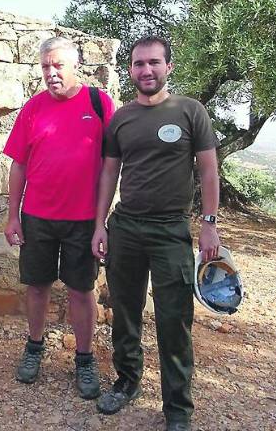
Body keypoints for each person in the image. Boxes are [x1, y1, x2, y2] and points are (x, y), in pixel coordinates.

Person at [91, 36, 221, 431]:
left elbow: (209, 170)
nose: (146, 70)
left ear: (169, 67)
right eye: (138, 64)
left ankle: (177, 408)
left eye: (154, 63)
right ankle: (127, 381)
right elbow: (110, 172)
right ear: (131, 70)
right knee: (125, 314)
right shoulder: (121, 118)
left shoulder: (190, 111)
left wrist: (210, 226)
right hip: (126, 227)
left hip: (170, 230)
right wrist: (100, 223)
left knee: (174, 320)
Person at [3, 37, 115, 399]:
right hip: (37, 216)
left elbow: (112, 165)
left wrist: (101, 223)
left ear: (75, 65)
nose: (51, 73)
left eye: (58, 66)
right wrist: (13, 216)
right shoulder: (33, 108)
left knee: (81, 290)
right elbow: (18, 164)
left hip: (83, 219)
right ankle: (34, 349)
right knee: (37, 286)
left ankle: (84, 360)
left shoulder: (99, 104)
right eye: (45, 67)